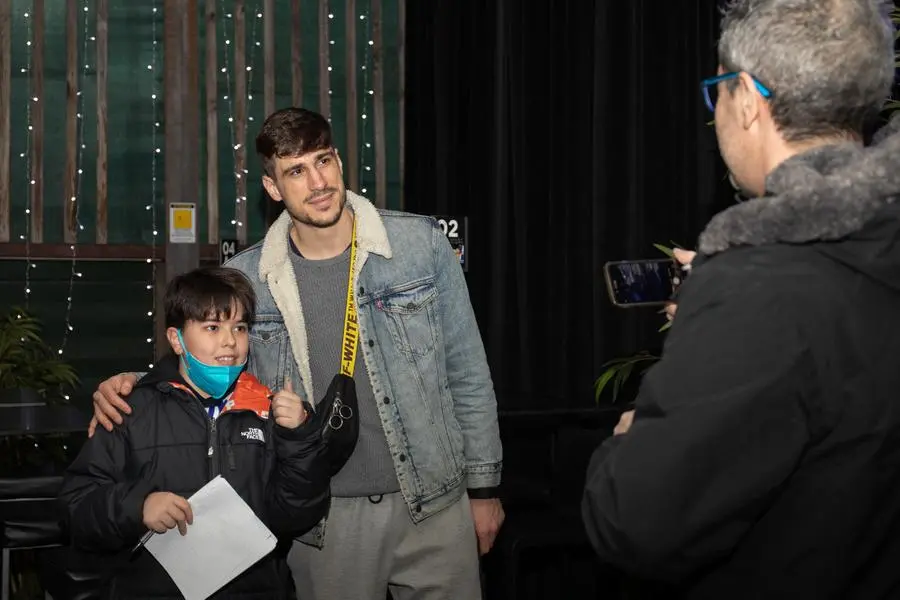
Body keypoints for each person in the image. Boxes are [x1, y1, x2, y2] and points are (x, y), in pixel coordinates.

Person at [89, 107, 504, 599]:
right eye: (296, 171)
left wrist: (484, 490)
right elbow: (216, 353)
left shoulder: (420, 246)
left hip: (436, 505)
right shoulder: (249, 277)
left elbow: (468, 373)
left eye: (323, 161)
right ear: (273, 188)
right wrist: (136, 382)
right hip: (325, 518)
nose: (318, 181)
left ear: (341, 162)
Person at [582, 0, 900, 598]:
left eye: (718, 93)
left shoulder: (757, 288)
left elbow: (633, 522)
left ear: (749, 101)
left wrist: (628, 439)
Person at [59, 266, 334, 599]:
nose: (230, 341)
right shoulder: (128, 410)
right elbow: (75, 509)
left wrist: (299, 439)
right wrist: (138, 507)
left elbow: (297, 515)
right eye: (212, 327)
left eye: (240, 327)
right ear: (176, 339)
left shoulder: (268, 410)